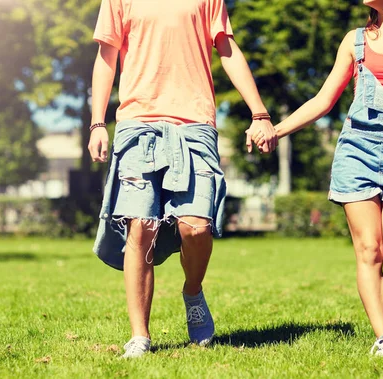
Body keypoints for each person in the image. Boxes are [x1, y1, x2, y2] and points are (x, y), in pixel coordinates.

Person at [252, 0, 383, 355]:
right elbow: (324, 99)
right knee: (369, 250)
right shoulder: (355, 41)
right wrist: (276, 131)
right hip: (356, 151)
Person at [88, 0, 278, 358]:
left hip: (194, 123)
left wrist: (260, 112)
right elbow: (106, 57)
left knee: (196, 227)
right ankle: (139, 335)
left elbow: (227, 49)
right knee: (140, 226)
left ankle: (192, 290)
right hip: (137, 123)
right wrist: (98, 122)